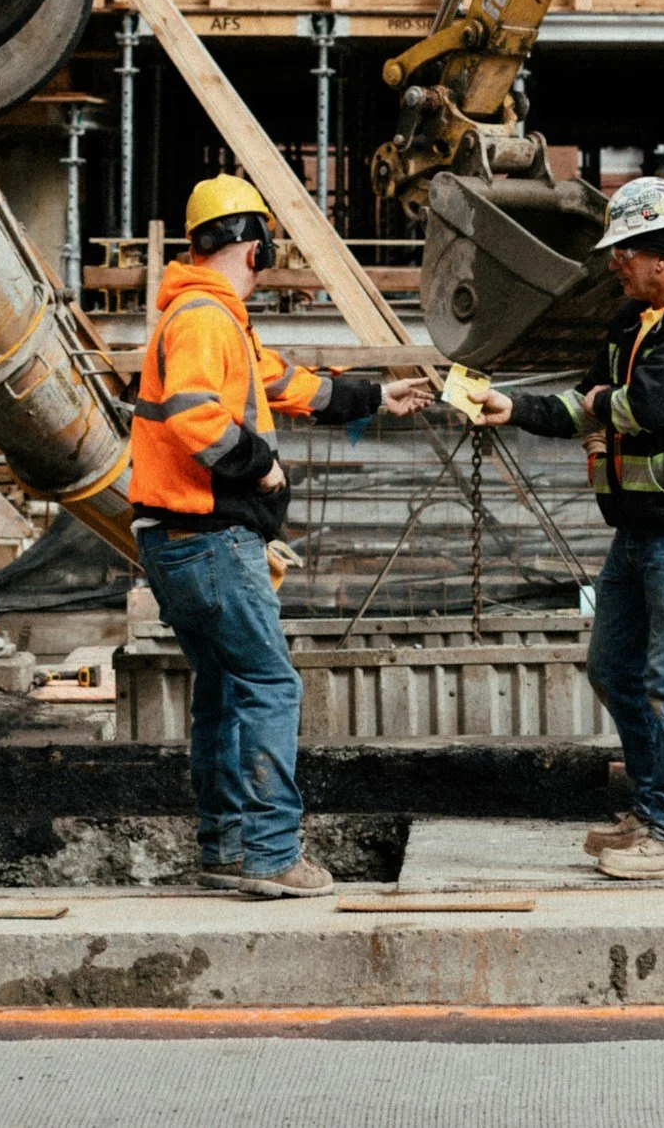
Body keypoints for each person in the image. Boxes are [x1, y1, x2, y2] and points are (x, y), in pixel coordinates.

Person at [132, 175, 433, 898]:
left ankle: (227, 845)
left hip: (175, 540)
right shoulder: (205, 317)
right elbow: (196, 414)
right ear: (255, 242)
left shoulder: (207, 314)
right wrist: (259, 467)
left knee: (224, 689)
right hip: (211, 539)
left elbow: (286, 382)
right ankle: (271, 853)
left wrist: (374, 394)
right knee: (269, 684)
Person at [472, 176, 664, 879]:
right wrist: (515, 406)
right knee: (614, 666)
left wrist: (599, 402)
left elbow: (649, 403)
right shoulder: (635, 319)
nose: (612, 265)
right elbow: (586, 402)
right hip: (641, 527)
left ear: (660, 252)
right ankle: (655, 809)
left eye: (622, 252)